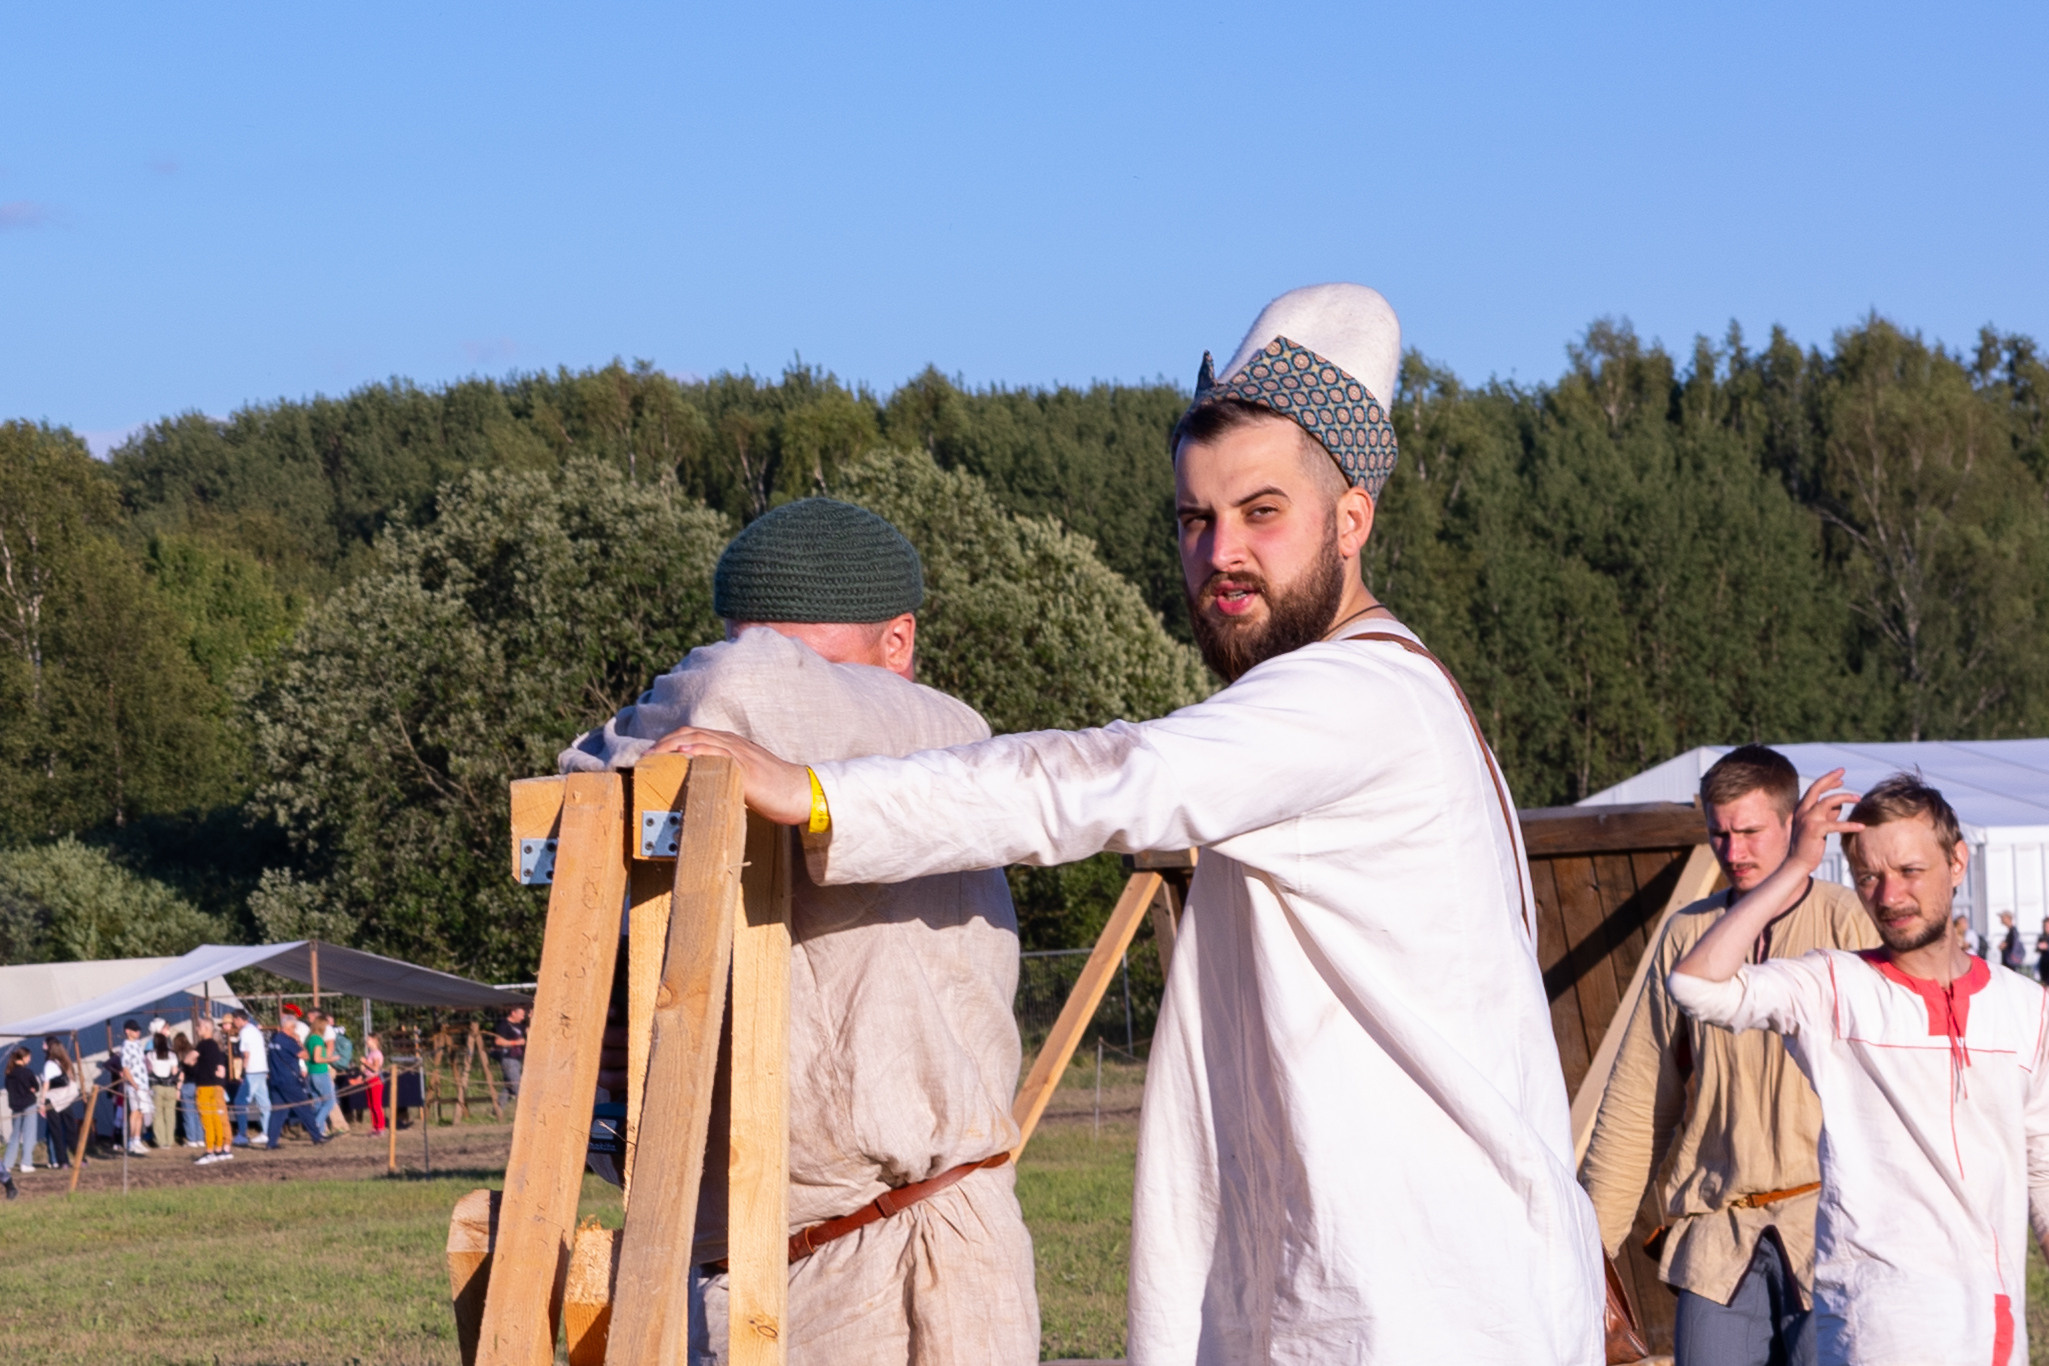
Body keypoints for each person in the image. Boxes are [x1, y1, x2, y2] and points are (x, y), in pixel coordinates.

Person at [647, 286, 1605, 1363]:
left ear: (1352, 519)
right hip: (1383, 1287)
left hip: (1424, 1304)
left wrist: (822, 791)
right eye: (1196, 520)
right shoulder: (1361, 695)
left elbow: (1110, 776)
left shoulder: (1358, 698)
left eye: (1261, 512)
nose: (1220, 553)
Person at [562, 495, 1039, 1366]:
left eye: (797, 650)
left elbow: (745, 688)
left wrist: (614, 752)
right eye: (745, 637)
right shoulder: (766, 743)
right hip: (743, 1265)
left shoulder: (938, 734)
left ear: (898, 644)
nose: (762, 667)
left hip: (901, 1257)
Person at [1669, 771, 2049, 1365]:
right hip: (1879, 1331)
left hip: (1996, 1333)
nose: (1889, 896)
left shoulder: (2025, 1007)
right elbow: (1695, 985)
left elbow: (2041, 1166)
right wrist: (1795, 867)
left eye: (1909, 872)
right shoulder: (1832, 987)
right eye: (1869, 877)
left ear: (1957, 862)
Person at [1580, 745, 1879, 1365]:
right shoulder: (1687, 935)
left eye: (1748, 831)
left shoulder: (1850, 923)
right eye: (1719, 834)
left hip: (1830, 1223)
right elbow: (1639, 1099)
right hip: (1717, 1231)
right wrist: (1588, 1247)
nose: (1732, 851)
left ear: (1792, 824)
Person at [263, 1022, 326, 1149]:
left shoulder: (273, 1039)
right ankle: (317, 1136)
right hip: (289, 1080)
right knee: (304, 1108)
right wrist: (298, 1042)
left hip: (275, 1080)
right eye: (294, 1028)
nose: (295, 1030)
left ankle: (271, 1142)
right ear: (289, 1027)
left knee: (279, 1112)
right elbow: (305, 1055)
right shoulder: (288, 1041)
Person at [189, 1018, 233, 1165]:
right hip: (216, 1087)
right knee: (217, 1119)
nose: (196, 1029)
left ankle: (209, 1150)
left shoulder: (203, 1045)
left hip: (205, 1087)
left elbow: (189, 1059)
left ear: (207, 1028)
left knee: (207, 1119)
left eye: (199, 1026)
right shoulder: (216, 1048)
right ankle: (220, 1148)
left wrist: (189, 1063)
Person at [38, 1039, 82, 1171]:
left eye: (44, 1043)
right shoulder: (64, 1061)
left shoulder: (49, 1064)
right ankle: (80, 1158)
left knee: (56, 1131)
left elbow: (46, 1084)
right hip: (65, 1099)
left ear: (49, 1047)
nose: (42, 1046)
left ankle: (62, 1161)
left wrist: (41, 1102)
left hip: (53, 1099)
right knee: (70, 1129)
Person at [230, 1009, 270, 1147]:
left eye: (234, 1020)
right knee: (263, 1102)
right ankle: (267, 1131)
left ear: (239, 1019)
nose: (234, 1023)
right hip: (261, 1069)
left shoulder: (245, 1032)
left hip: (252, 1070)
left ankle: (242, 1133)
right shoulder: (254, 1030)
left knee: (240, 1101)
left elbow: (246, 1054)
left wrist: (242, 1073)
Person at [116, 1020, 152, 1157]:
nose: (138, 1032)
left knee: (141, 1112)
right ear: (127, 1031)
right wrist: (133, 1083)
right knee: (135, 1111)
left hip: (143, 1083)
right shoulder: (126, 1047)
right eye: (135, 1030)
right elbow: (125, 1067)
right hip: (134, 1084)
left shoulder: (138, 1045)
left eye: (138, 1030)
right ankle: (132, 1140)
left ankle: (137, 1139)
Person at [145, 1024, 180, 1151]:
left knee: (158, 1114)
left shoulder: (150, 1055)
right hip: (170, 1087)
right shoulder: (172, 1055)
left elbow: (148, 1071)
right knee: (170, 1114)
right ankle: (169, 1140)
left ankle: (161, 1141)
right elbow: (175, 1071)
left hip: (157, 1087)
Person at [4, 1047, 38, 1174]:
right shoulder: (27, 1072)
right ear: (23, 1058)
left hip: (15, 1106)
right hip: (28, 1104)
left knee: (15, 1136)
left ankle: (7, 1164)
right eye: (29, 1057)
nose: (30, 1059)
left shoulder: (9, 1073)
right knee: (29, 1135)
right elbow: (36, 1086)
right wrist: (31, 1089)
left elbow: (8, 1088)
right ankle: (26, 1162)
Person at [304, 1013, 337, 1139]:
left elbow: (308, 1057)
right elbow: (317, 1058)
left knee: (318, 1103)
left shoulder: (309, 1039)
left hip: (311, 1073)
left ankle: (320, 1132)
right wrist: (330, 1058)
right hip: (320, 1072)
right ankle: (316, 1125)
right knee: (329, 1102)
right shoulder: (317, 1039)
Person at [488, 1008, 526, 1104]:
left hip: (517, 1058)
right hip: (508, 1058)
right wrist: (515, 1042)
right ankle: (527, 1108)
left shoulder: (520, 1026)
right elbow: (498, 1041)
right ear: (513, 1013)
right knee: (517, 1084)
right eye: (521, 1015)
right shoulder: (503, 1025)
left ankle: (497, 1112)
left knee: (509, 1085)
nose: (523, 1017)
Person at [172, 1030, 201, 1148]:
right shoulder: (194, 1053)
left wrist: (178, 1089)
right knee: (198, 1114)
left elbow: (181, 1075)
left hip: (187, 1086)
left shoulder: (179, 1057)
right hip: (198, 1085)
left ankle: (191, 1139)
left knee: (188, 1114)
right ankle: (200, 1138)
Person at [361, 1032, 387, 1136]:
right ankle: (375, 1127)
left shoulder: (376, 1053)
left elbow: (375, 1068)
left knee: (376, 1104)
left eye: (368, 1039)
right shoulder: (370, 1053)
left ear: (374, 1040)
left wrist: (365, 1062)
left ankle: (381, 1127)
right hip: (368, 1079)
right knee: (371, 1105)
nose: (366, 1041)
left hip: (375, 1080)